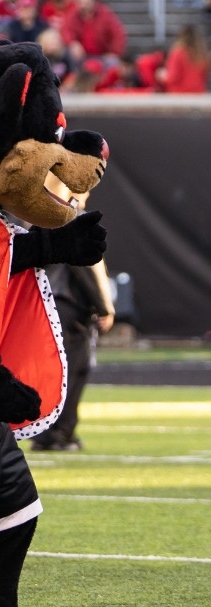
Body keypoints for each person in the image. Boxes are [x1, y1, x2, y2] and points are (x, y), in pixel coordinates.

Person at [30, 181, 114, 451]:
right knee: (73, 370)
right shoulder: (76, 219)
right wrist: (104, 307)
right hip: (70, 305)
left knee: (49, 371)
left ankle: (43, 431)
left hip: (44, 302)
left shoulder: (42, 218)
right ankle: (60, 434)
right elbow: (86, 267)